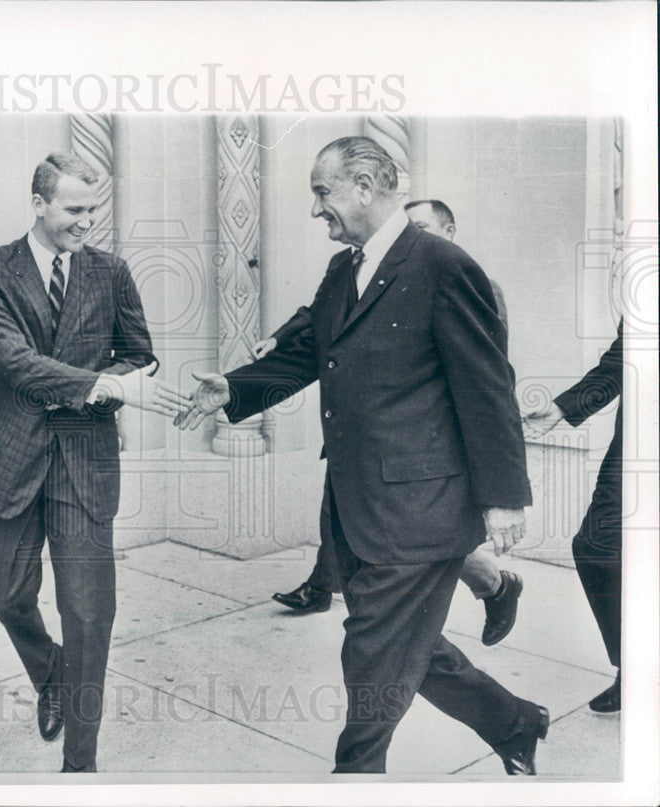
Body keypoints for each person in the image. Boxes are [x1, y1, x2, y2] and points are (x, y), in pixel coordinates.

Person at [177, 136, 549, 774]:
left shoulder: (443, 266)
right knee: (406, 644)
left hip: (421, 507)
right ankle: (513, 721)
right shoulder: (343, 268)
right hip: (354, 502)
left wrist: (503, 497)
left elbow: (487, 388)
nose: (317, 209)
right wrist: (234, 388)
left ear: (366, 187)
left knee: (372, 653)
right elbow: (307, 354)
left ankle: (356, 777)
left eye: (323, 192)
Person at [0, 151, 189, 773]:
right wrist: (110, 386)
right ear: (39, 205)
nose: (86, 221)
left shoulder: (110, 273)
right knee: (5, 591)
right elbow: (15, 362)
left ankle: (80, 767)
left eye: (93, 209)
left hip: (84, 460)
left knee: (89, 614)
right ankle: (51, 673)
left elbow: (140, 356)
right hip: (12, 455)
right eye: (73, 209)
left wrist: (121, 377)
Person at [257, 199, 523, 648]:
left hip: (429, 445)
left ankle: (495, 585)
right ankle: (324, 587)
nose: (410, 237)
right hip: (362, 441)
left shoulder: (465, 277)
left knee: (421, 557)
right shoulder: (363, 267)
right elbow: (321, 315)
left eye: (421, 227)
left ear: (450, 229)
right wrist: (281, 339)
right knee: (345, 525)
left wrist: (499, 488)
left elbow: (486, 380)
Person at [522, 321, 623, 712]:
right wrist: (562, 407)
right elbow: (622, 359)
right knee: (596, 546)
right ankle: (636, 667)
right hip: (639, 444)